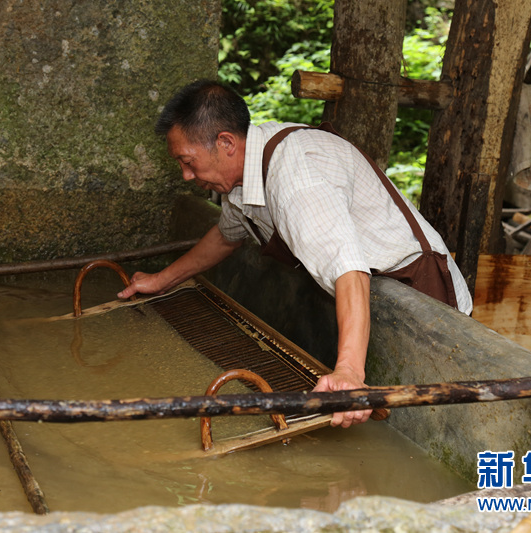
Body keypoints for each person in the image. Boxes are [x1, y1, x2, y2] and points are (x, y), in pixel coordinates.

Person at [118, 80, 473, 428]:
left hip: (418, 290)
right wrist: (161, 281)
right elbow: (227, 236)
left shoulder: (295, 177)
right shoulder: (245, 175)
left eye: (188, 162)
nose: (185, 175)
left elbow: (348, 269)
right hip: (364, 303)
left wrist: (348, 371)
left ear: (226, 142)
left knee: (433, 421)